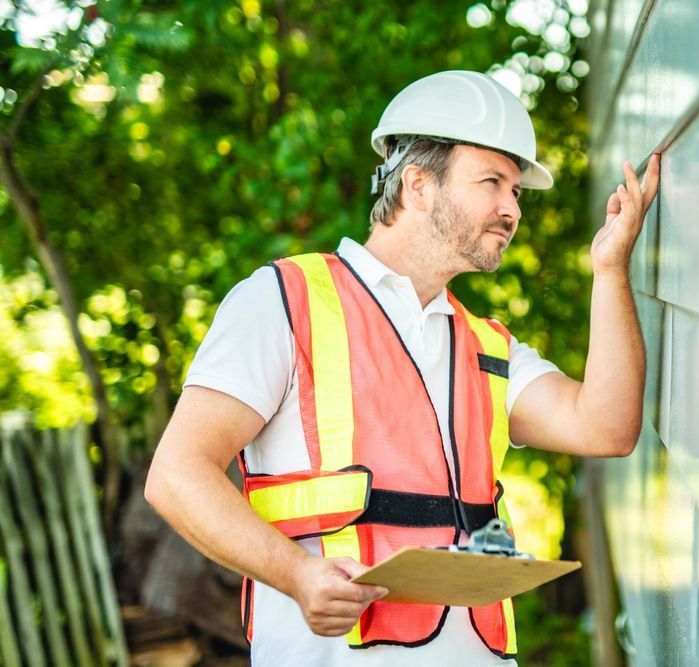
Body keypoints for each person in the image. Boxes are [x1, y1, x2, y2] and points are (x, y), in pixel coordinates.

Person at [145, 69, 660, 666]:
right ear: (418, 186)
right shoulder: (283, 301)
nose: (510, 208)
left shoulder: (484, 345)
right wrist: (296, 575)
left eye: (516, 191)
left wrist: (611, 270)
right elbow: (176, 475)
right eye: (492, 181)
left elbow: (608, 427)